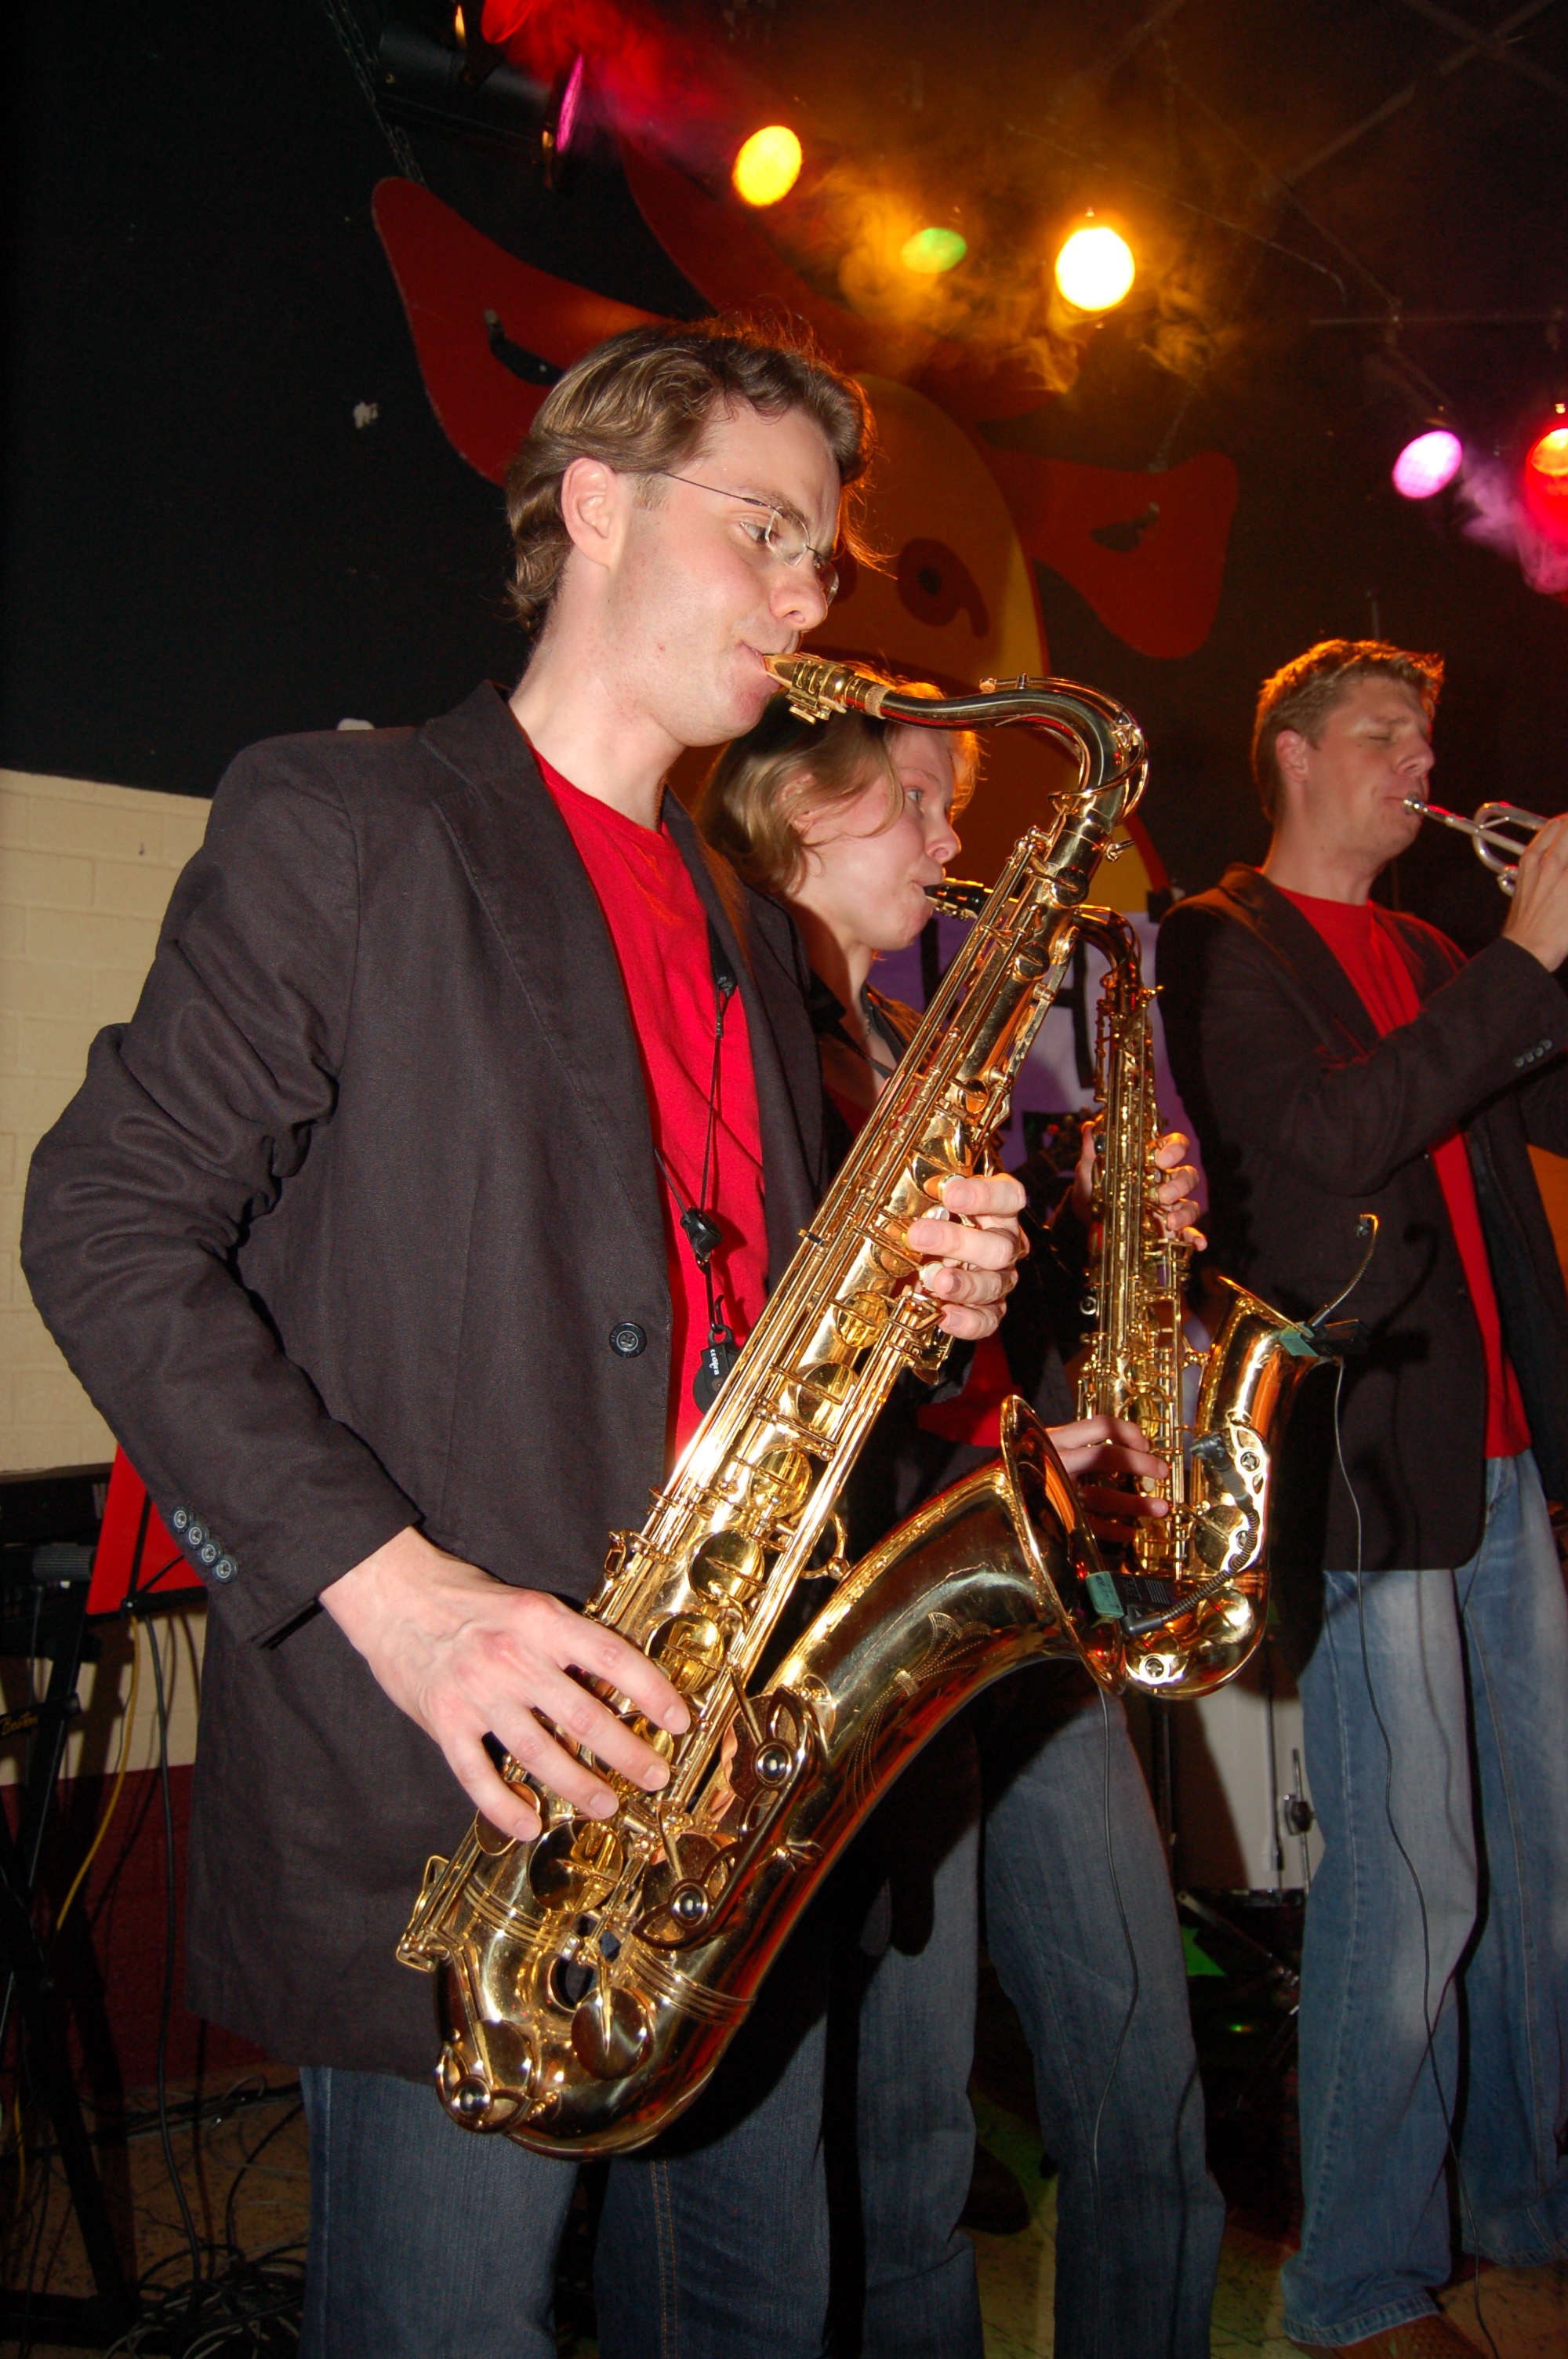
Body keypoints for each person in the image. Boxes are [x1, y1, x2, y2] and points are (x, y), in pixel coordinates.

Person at [19, 322, 1031, 2359]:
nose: (809, 597)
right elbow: (103, 1220)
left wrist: (916, 1310)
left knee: (759, 2315)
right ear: (596, 504)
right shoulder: (349, 819)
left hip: (726, 1789)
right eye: (770, 532)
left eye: (822, 556)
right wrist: (402, 1603)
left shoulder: (745, 925)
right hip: (462, 1786)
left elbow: (734, 1324)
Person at [700, 689, 1225, 2359]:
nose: (951, 842)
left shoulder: (917, 1043)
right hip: (885, 1609)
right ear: (796, 808)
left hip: (1014, 1584)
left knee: (1139, 2056)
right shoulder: (736, 1036)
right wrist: (1002, 1455)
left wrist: (1097, 1218)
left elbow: (963, 1332)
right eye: (919, 799)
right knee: (907, 2134)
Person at [1156, 639, 1568, 2359]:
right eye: (1387, 732)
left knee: (1543, 1868)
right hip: (1367, 1461)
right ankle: (1357, 2285)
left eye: (1426, 736)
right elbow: (1329, 1142)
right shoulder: (1218, 941)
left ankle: (1527, 2220)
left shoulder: (1430, 952)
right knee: (1413, 1888)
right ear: (1296, 754)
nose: (1421, 762)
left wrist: (1541, 968)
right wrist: (1525, 959)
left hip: (1499, 1454)